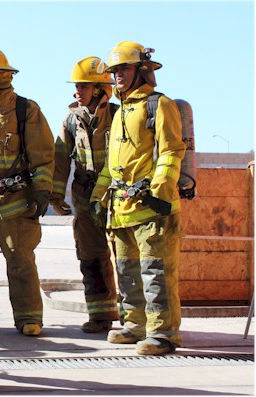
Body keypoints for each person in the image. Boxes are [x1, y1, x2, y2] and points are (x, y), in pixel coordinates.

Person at [89, 41, 185, 355]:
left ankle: (163, 334)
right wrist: (98, 196)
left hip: (152, 209)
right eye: (114, 70)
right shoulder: (120, 112)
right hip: (121, 210)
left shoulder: (160, 104)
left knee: (156, 273)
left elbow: (171, 151)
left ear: (142, 70)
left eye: (124, 68)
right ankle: (135, 326)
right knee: (128, 273)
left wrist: (159, 192)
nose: (117, 76)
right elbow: (112, 164)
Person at [0, 47, 54, 336]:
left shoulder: (25, 110)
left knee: (20, 260)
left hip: (14, 201)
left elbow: (43, 156)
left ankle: (29, 317)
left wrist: (42, 191)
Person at [52, 56, 120, 333]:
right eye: (76, 86)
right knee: (91, 255)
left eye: (82, 86)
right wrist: (56, 196)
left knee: (124, 255)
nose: (76, 92)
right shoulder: (71, 120)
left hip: (115, 194)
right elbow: (59, 160)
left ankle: (132, 315)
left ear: (101, 89)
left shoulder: (119, 116)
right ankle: (100, 315)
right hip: (83, 194)